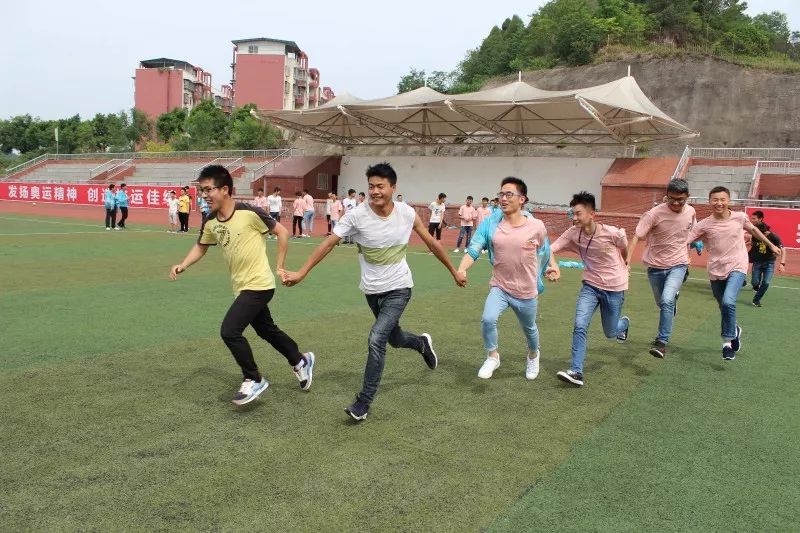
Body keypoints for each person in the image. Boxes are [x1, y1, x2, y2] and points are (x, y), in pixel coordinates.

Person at [280, 162, 466, 421]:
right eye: (371, 186)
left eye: (380, 186)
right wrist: (302, 272)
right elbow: (329, 243)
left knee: (376, 339)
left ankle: (363, 403)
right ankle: (421, 343)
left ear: (393, 187)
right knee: (395, 338)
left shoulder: (406, 213)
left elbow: (432, 243)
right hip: (372, 291)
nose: (375, 191)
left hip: (399, 287)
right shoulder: (357, 215)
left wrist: (454, 271)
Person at [169, 165, 314, 406]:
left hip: (259, 284)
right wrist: (183, 264)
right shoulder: (210, 220)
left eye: (208, 190)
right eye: (202, 190)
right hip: (241, 286)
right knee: (266, 330)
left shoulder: (248, 212)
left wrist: (280, 266)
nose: (204, 195)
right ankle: (300, 360)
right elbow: (202, 246)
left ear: (225, 189)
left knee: (230, 331)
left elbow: (282, 232)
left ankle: (254, 378)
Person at [457, 177, 552, 380]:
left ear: (522, 199)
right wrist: (462, 269)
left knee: (529, 328)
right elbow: (474, 248)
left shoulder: (536, 226)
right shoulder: (490, 224)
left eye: (509, 194)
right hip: (500, 286)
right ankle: (493, 356)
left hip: (526, 290)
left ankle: (533, 355)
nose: (504, 198)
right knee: (488, 319)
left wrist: (551, 268)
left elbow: (545, 250)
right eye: (501, 194)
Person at [547, 191, 630, 387]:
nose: (574, 218)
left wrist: (625, 263)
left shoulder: (612, 233)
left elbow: (624, 248)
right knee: (580, 324)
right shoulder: (572, 233)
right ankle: (576, 371)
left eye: (578, 214)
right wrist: (554, 266)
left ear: (592, 214)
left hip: (614, 287)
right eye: (573, 213)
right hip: (590, 286)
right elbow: (549, 249)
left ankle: (624, 324)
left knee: (610, 332)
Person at [687, 186, 780, 360]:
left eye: (723, 199)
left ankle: (727, 344)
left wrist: (771, 245)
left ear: (729, 201)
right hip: (715, 269)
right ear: (709, 201)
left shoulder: (739, 217)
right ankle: (734, 329)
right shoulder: (704, 225)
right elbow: (685, 240)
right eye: (715, 200)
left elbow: (754, 230)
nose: (719, 203)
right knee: (723, 306)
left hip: (738, 265)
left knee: (728, 301)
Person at [625, 179, 696, 359]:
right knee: (663, 303)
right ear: (666, 196)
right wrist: (627, 262)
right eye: (672, 199)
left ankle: (661, 342)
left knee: (666, 300)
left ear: (687, 197)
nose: (676, 203)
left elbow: (693, 230)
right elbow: (636, 237)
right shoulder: (653, 214)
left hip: (679, 264)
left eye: (680, 199)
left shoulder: (691, 211)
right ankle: (672, 301)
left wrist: (697, 243)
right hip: (655, 267)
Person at [750, 222, 786, 307]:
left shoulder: (774, 237)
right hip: (757, 263)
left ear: (766, 232)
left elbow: (783, 250)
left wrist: (782, 264)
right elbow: (753, 246)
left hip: (769, 263)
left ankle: (756, 300)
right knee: (755, 282)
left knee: (766, 282)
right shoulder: (755, 236)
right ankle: (756, 286)